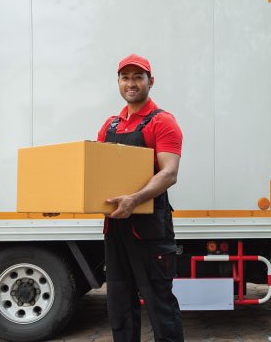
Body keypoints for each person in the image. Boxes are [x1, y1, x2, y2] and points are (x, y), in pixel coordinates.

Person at [96, 53, 184, 342]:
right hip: (115, 228)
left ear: (150, 81)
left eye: (138, 77)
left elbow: (169, 173)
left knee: (159, 303)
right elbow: (95, 175)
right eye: (125, 77)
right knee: (119, 304)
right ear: (119, 82)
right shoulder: (109, 126)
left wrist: (135, 198)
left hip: (150, 230)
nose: (131, 83)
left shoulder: (162, 122)